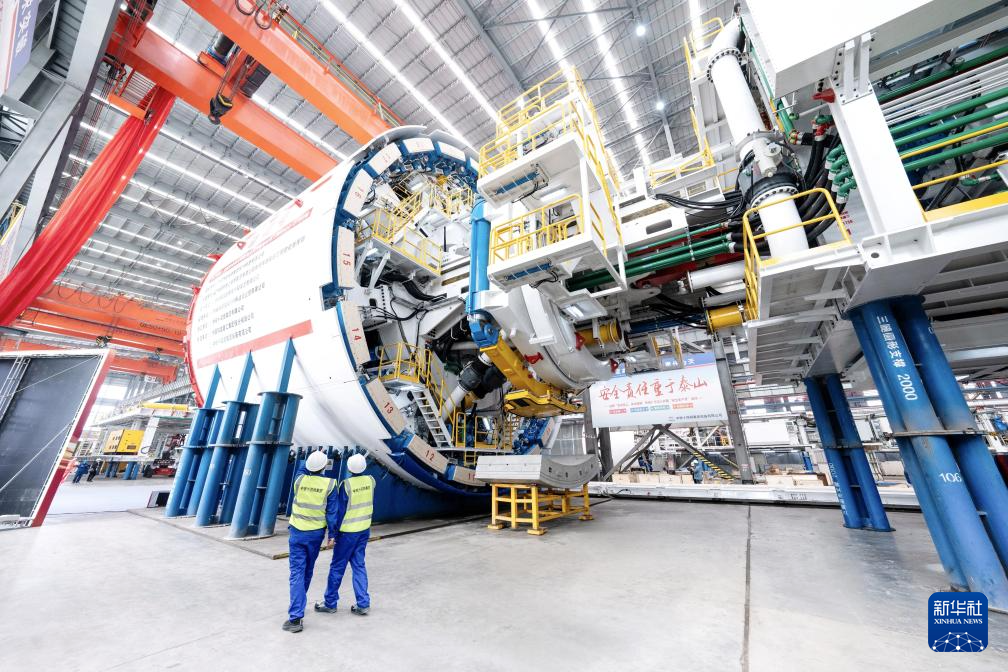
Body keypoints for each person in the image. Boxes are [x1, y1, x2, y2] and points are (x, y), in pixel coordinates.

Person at [283, 450, 340, 634]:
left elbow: (301, 468)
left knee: (296, 573)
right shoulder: (330, 484)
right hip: (315, 535)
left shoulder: (299, 480)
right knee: (307, 570)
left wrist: (313, 456)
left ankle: (295, 617)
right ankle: (298, 605)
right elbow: (332, 513)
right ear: (324, 467)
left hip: (297, 533)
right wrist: (332, 535)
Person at [315, 453, 375, 617]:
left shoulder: (346, 485)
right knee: (359, 565)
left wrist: (333, 534)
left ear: (349, 468)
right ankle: (363, 603)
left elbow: (339, 512)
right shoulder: (371, 481)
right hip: (364, 530)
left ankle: (330, 603)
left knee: (337, 567)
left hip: (347, 533)